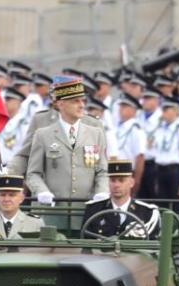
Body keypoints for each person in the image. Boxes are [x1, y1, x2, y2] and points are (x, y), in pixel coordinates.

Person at [26, 76, 109, 204]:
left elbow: (102, 170)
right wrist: (41, 191)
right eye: (75, 101)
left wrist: (102, 191)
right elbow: (33, 173)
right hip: (54, 210)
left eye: (83, 101)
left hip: (85, 210)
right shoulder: (43, 135)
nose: (82, 105)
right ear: (61, 104)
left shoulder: (95, 134)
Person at [82, 160, 161, 239]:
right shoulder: (94, 210)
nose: (116, 185)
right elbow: (86, 244)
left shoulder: (147, 213)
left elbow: (153, 245)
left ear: (131, 182)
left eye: (121, 180)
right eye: (113, 180)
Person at [0, 173, 44, 239]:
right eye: (2, 195)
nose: (6, 199)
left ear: (21, 198)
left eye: (12, 195)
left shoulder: (35, 223)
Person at [152, 96, 179, 213]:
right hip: (161, 170)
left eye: (168, 109)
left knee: (177, 204)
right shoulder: (160, 129)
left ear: (175, 111)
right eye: (163, 109)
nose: (165, 112)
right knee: (162, 205)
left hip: (174, 170)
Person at [107, 94, 147, 193]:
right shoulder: (116, 128)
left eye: (125, 106)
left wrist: (136, 180)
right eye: (121, 106)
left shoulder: (136, 129)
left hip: (127, 172)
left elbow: (140, 157)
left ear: (133, 110)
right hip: (112, 170)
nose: (121, 109)